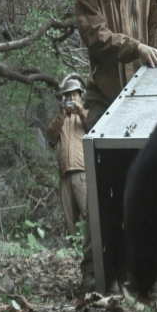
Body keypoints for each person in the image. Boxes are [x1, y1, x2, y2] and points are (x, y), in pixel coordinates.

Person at [75, 0, 157, 292]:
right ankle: (96, 269)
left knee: (148, 180)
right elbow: (93, 34)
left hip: (144, 96)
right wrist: (135, 46)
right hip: (105, 94)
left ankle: (148, 268)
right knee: (100, 181)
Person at [47, 75, 88, 236]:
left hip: (82, 173)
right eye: (68, 95)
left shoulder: (85, 115)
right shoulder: (60, 118)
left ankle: (90, 249)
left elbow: (93, 126)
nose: (72, 98)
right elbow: (51, 133)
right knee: (70, 219)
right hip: (64, 175)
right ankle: (74, 251)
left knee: (87, 212)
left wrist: (80, 110)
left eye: (74, 94)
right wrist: (62, 113)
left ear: (80, 96)